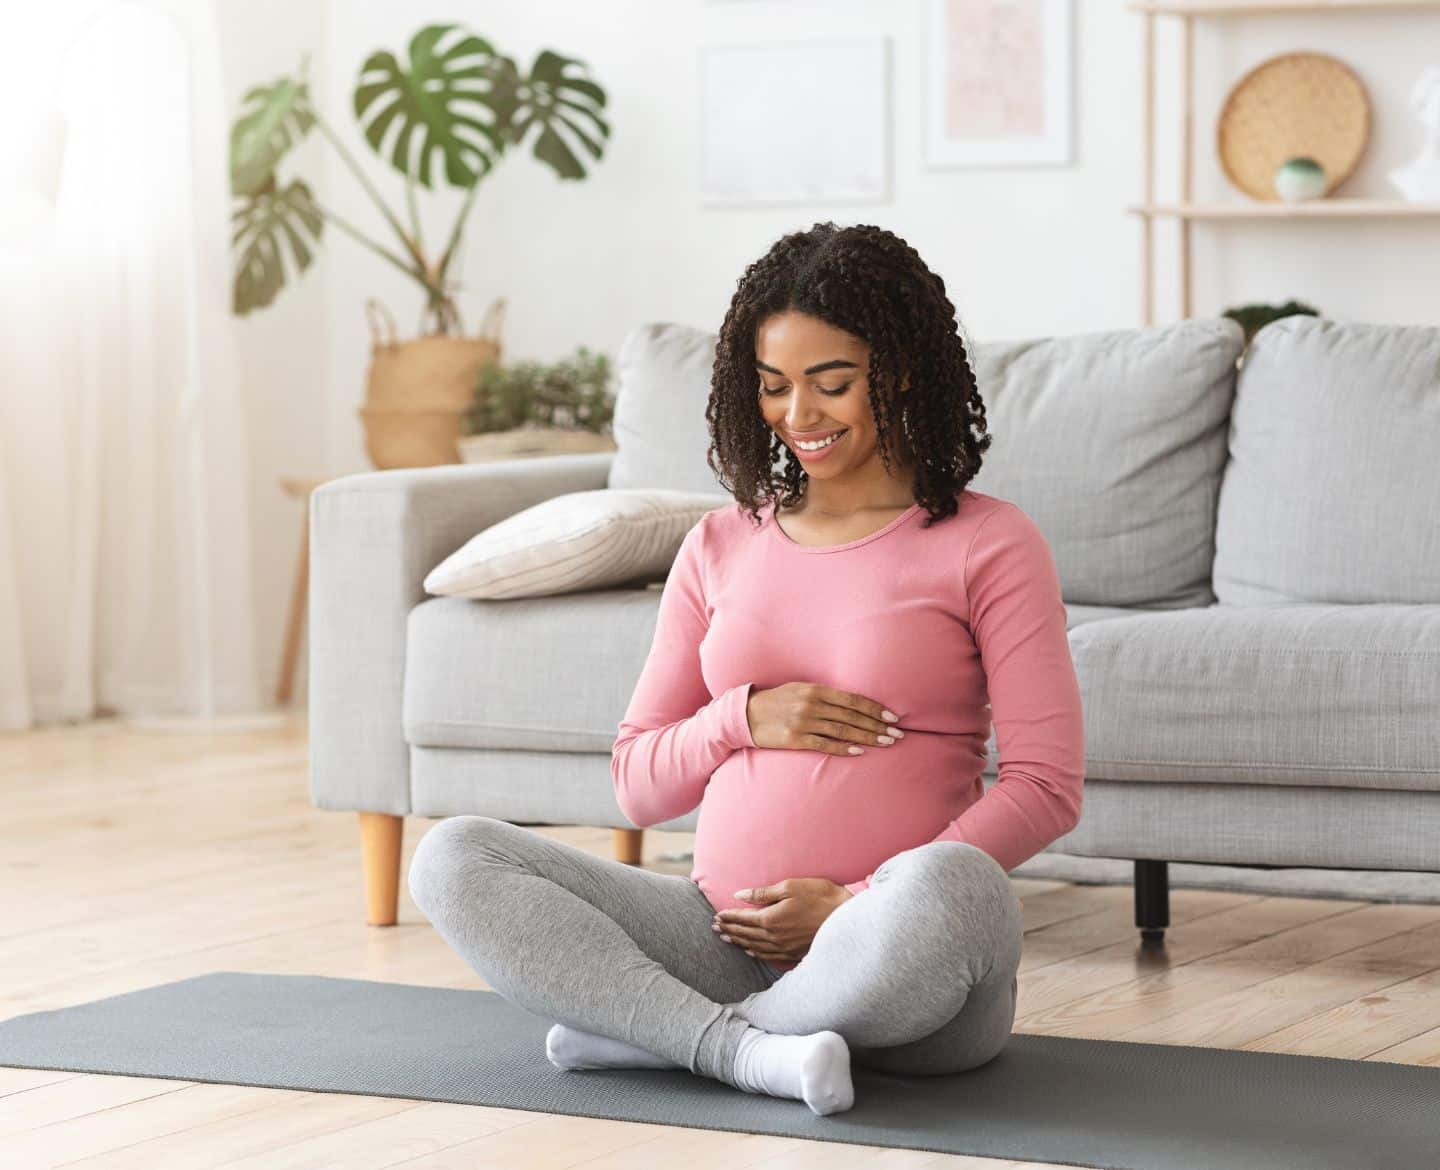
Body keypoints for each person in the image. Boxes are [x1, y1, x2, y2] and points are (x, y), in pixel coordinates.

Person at [407, 221, 1086, 1116]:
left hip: (902, 962)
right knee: (455, 855)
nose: (799, 416)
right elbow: (637, 786)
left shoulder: (989, 543)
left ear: (906, 371)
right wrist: (743, 718)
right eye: (774, 388)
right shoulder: (721, 543)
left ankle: (671, 1036)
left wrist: (856, 902)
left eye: (832, 384)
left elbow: (1047, 785)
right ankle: (745, 1049)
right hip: (716, 934)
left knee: (955, 889)